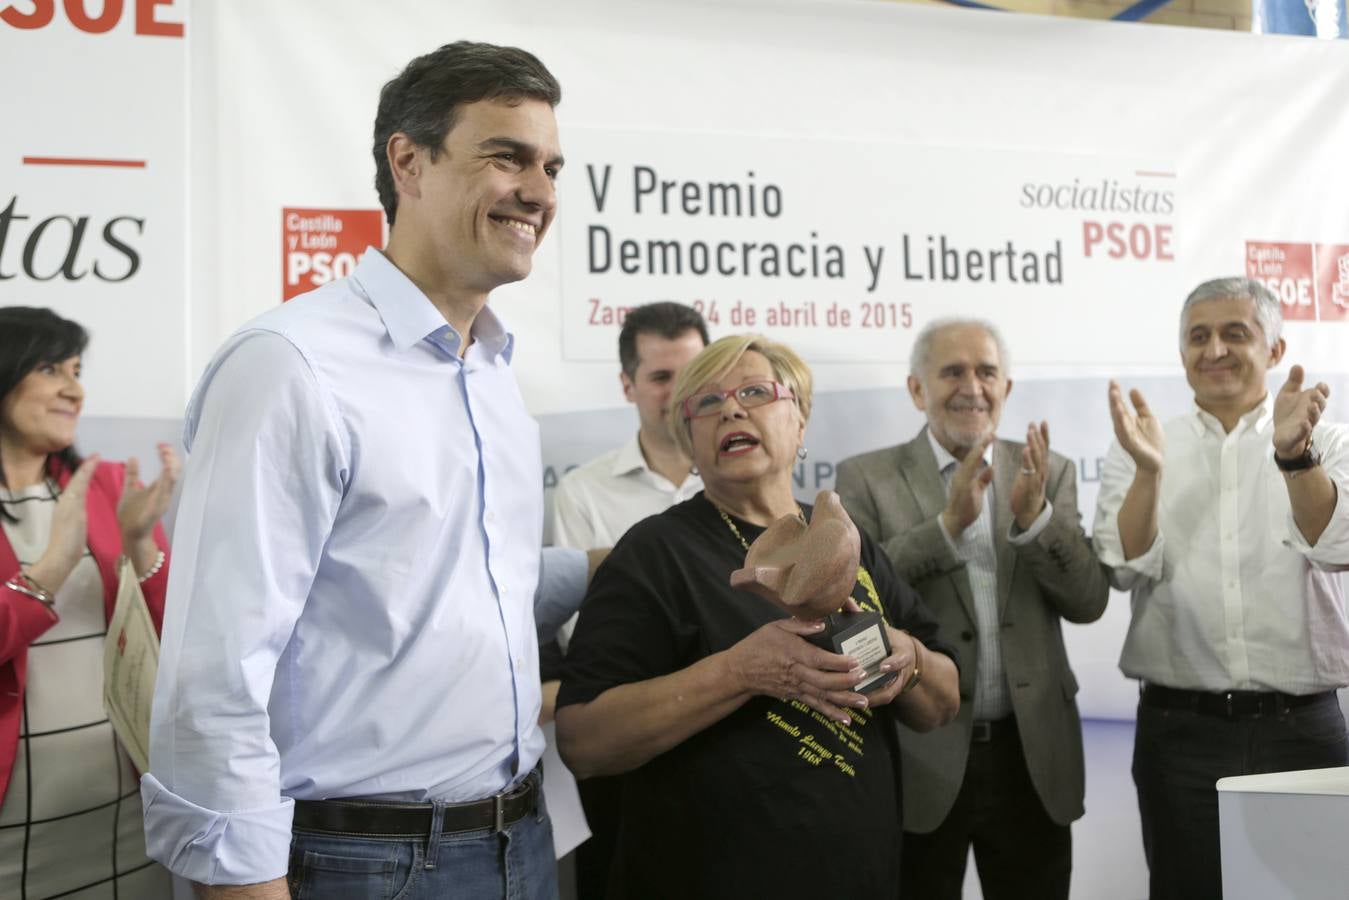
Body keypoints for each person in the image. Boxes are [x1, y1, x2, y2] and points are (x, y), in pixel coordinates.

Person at [142, 42, 570, 899]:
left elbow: (452, 586)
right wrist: (245, 887)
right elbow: (213, 675)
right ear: (408, 162)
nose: (540, 192)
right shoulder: (290, 366)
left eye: (551, 166)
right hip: (360, 865)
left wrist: (629, 563)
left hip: (521, 841)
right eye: (506, 157)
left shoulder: (490, 371)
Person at [555, 333, 960, 899]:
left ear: (800, 422)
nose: (732, 409)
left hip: (862, 876)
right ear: (690, 443)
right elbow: (583, 741)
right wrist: (740, 672)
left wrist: (907, 657)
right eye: (708, 403)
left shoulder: (849, 544)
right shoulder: (654, 554)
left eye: (754, 391)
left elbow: (942, 703)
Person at [1093, 277, 1349, 900]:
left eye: (1236, 333)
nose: (1215, 350)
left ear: (1276, 347)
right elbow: (1122, 567)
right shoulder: (1144, 444)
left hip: (1304, 730)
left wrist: (1294, 457)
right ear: (1181, 353)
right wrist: (1151, 473)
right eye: (1197, 337)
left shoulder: (1328, 437)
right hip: (1181, 733)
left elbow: (1338, 545)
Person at [836, 317, 1109, 900]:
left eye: (987, 372)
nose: (973, 387)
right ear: (917, 390)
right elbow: (853, 607)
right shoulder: (865, 478)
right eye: (952, 371)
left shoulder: (1049, 471)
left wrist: (1034, 522)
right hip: (919, 755)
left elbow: (1088, 601)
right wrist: (946, 527)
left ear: (1006, 388)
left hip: (1031, 758)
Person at [0, 306, 179, 899]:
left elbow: (167, 632)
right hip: (12, 821)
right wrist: (48, 573)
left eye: (77, 371)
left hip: (117, 807)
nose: (74, 390)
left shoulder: (100, 485)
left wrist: (137, 541)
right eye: (52, 368)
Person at [548, 300, 707, 897]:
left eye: (692, 374)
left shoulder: (745, 482)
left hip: (733, 747)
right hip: (626, 749)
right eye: (661, 377)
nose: (678, 392)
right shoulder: (583, 494)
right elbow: (583, 637)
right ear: (627, 384)